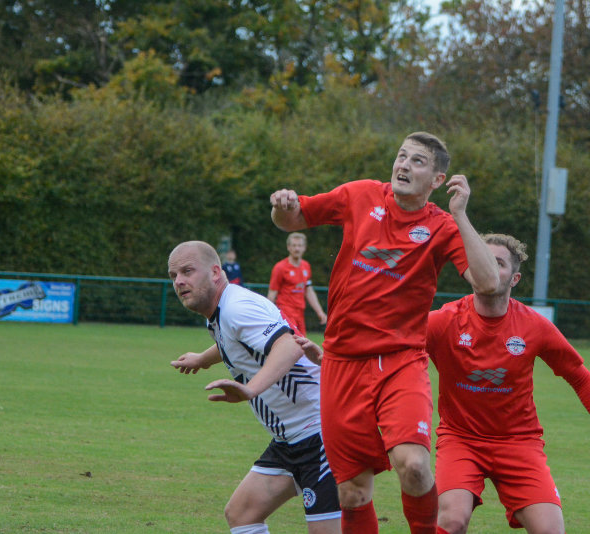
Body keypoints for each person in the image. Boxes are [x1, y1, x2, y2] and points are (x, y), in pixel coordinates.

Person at [269, 131, 500, 534]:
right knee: (352, 492)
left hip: (400, 361)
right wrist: (282, 206)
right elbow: (293, 219)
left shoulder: (442, 226)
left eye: (417, 161)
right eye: (401, 156)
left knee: (414, 465)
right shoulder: (359, 194)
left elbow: (488, 283)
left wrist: (461, 216)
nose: (404, 165)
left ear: (437, 180)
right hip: (342, 363)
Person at [425, 233, 590, 534]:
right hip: (461, 440)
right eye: (483, 261)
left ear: (515, 278)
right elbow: (393, 346)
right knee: (452, 520)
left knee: (550, 530)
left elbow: (579, 376)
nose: (489, 268)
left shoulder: (533, 326)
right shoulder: (443, 321)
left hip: (519, 443)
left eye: (499, 263)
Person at [167, 240, 341, 534]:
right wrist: (203, 360)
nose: (179, 281)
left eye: (187, 271)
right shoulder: (222, 311)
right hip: (290, 439)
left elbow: (289, 347)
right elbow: (233, 341)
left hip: (319, 433)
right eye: (174, 276)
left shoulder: (236, 308)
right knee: (242, 514)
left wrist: (250, 390)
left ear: (215, 272)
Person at [268, 232, 327, 336]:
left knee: (303, 343)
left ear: (304, 248)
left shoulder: (306, 266)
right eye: (294, 245)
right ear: (288, 247)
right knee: (293, 342)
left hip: (300, 313)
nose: (297, 249)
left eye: (300, 245)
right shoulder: (280, 267)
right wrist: (267, 315)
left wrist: (320, 312)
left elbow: (308, 290)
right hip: (285, 313)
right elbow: (272, 294)